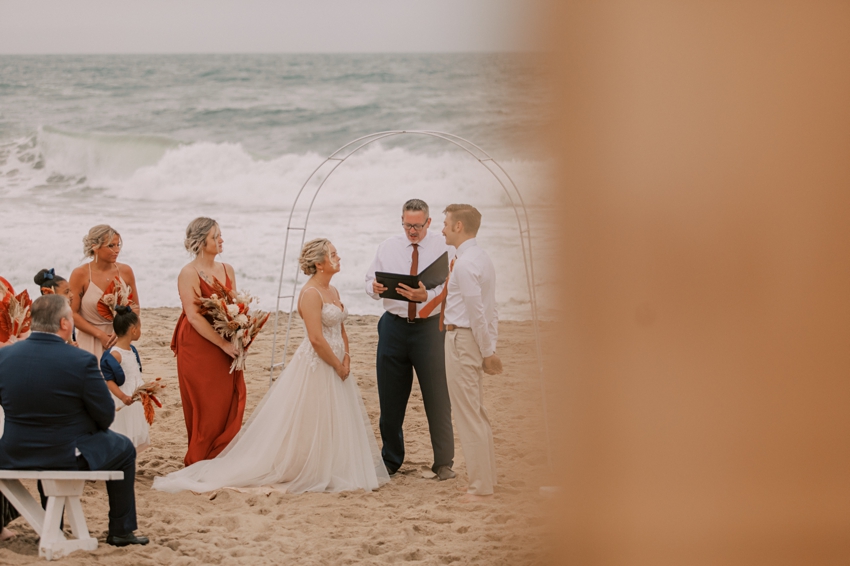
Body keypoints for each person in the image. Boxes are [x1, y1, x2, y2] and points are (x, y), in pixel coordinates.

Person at [153, 239, 390, 494]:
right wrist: (337, 364)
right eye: (333, 254)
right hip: (320, 363)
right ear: (319, 264)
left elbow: (339, 327)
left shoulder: (333, 291)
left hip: (339, 363)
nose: (339, 257)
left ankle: (331, 465)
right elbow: (316, 339)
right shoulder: (310, 294)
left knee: (335, 416)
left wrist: (347, 357)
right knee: (314, 416)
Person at [0, 295, 148, 546]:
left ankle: (52, 525)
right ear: (65, 324)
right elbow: (104, 414)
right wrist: (88, 429)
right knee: (123, 449)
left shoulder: (5, 357)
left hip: (13, 452)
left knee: (48, 447)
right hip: (61, 454)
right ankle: (121, 531)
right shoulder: (81, 360)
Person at [365, 199, 455, 479]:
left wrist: (425, 295)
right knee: (390, 398)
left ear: (428, 222)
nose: (412, 231)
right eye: (407, 225)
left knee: (437, 396)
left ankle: (443, 463)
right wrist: (375, 288)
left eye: (417, 225)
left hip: (429, 329)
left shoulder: (445, 247)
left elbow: (450, 285)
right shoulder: (387, 246)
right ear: (401, 221)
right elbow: (368, 281)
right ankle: (391, 460)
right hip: (393, 327)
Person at [438, 204, 502, 502]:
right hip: (471, 340)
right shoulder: (481, 258)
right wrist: (489, 346)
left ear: (459, 226)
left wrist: (488, 351)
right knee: (476, 411)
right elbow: (491, 308)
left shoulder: (464, 264)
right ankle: (486, 479)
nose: (442, 229)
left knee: (467, 414)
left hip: (462, 340)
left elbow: (478, 312)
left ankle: (480, 486)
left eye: (446, 223)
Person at [172, 217, 243, 466]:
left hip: (226, 340)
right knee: (205, 403)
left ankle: (221, 456)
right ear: (202, 242)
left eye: (220, 235)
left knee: (227, 400)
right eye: (216, 236)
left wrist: (241, 332)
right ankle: (200, 458)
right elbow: (193, 316)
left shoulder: (227, 269)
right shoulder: (188, 273)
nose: (221, 240)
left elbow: (235, 307)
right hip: (198, 345)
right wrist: (222, 344)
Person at [69, 225, 140, 358]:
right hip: (89, 340)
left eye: (118, 245)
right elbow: (72, 313)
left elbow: (135, 308)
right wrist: (100, 335)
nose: (117, 250)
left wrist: (120, 331)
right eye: (111, 246)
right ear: (95, 247)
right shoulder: (80, 274)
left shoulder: (126, 271)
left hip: (118, 341)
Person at [100, 306, 150, 452]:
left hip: (134, 396)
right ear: (133, 330)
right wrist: (122, 396)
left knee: (134, 430)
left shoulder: (132, 350)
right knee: (124, 430)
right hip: (123, 397)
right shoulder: (115, 355)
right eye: (140, 328)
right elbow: (109, 381)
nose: (140, 331)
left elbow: (135, 373)